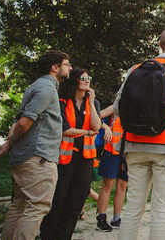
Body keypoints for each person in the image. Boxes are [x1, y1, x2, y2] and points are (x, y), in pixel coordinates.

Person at [115, 28, 165, 240]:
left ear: (159, 44)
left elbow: (117, 106)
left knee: (132, 208)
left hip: (134, 145)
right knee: (161, 209)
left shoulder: (135, 69)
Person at [0, 50, 72, 240]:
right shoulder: (47, 89)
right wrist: (10, 143)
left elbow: (19, 120)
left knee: (20, 206)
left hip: (26, 156)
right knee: (38, 205)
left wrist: (10, 144)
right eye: (66, 64)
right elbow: (24, 122)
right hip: (38, 158)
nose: (70, 67)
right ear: (55, 67)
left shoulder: (37, 86)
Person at [39, 68, 102, 239]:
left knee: (77, 199)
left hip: (85, 158)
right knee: (59, 198)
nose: (87, 80)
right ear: (75, 80)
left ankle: (65, 235)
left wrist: (91, 103)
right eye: (83, 77)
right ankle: (48, 234)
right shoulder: (62, 102)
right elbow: (64, 129)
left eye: (89, 77)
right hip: (64, 157)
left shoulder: (92, 103)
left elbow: (96, 126)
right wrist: (87, 132)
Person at [96, 105, 128, 232]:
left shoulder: (137, 106)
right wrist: (105, 126)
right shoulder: (116, 106)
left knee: (122, 187)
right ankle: (101, 218)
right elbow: (96, 116)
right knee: (107, 186)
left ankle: (116, 218)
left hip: (127, 152)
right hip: (111, 150)